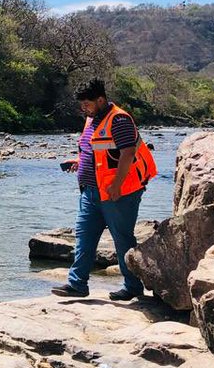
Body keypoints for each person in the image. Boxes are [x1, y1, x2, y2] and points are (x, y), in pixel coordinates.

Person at [54, 78, 157, 301]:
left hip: (118, 192)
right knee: (84, 237)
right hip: (91, 192)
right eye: (82, 105)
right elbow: (97, 152)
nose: (84, 109)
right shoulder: (92, 119)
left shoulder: (119, 119)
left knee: (122, 240)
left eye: (87, 104)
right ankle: (77, 284)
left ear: (100, 100)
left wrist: (116, 185)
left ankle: (132, 287)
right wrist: (79, 163)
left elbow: (128, 153)